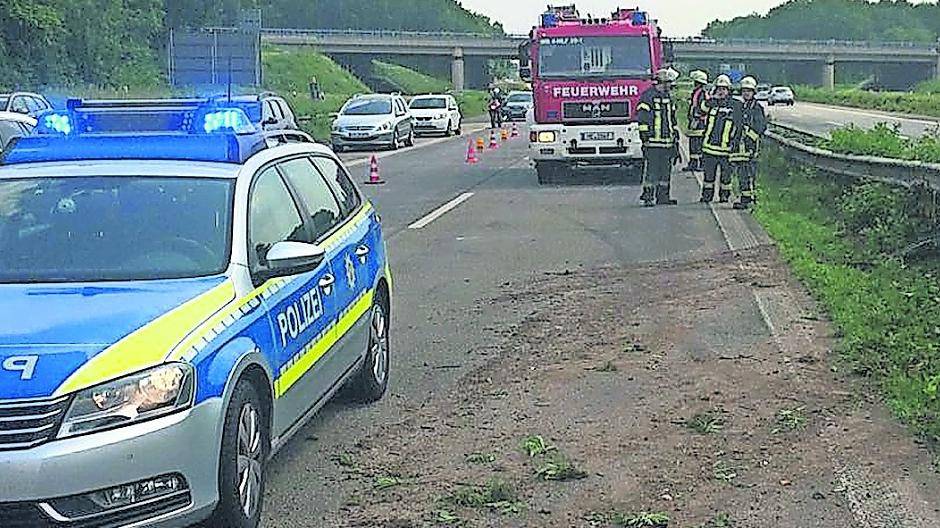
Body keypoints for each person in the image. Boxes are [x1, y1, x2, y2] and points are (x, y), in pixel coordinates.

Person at [636, 67, 681, 207]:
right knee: (652, 171)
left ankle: (663, 197)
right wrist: (645, 136)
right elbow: (642, 117)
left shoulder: (667, 97)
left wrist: (675, 136)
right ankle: (648, 196)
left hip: (667, 143)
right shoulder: (647, 96)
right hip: (653, 143)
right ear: (661, 82)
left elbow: (671, 119)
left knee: (665, 172)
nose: (670, 86)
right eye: (668, 83)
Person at [699, 74, 743, 203]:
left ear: (729, 90)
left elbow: (739, 126)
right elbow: (699, 112)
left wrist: (735, 144)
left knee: (726, 177)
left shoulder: (735, 105)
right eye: (719, 88)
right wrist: (712, 99)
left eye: (724, 89)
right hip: (709, 148)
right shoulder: (711, 103)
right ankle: (707, 196)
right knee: (708, 176)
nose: (721, 91)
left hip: (726, 149)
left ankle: (724, 195)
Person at [730, 76, 767, 210]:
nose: (746, 93)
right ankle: (745, 198)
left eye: (749, 91)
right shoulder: (741, 106)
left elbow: (761, 126)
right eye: (744, 90)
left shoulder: (756, 108)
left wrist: (750, 138)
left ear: (754, 92)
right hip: (740, 149)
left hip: (750, 148)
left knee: (750, 174)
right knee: (742, 174)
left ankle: (750, 200)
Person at [683, 70, 709, 173]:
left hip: (699, 123)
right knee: (694, 145)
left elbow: (701, 108)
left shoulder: (701, 93)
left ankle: (700, 164)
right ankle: (694, 163)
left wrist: (696, 118)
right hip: (696, 122)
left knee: (698, 145)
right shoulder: (697, 92)